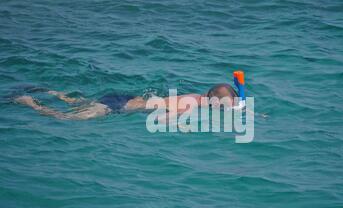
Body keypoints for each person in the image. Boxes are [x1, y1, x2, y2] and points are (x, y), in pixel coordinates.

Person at [15, 84, 239, 120]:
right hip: (118, 106)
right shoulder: (190, 105)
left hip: (128, 98)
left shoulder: (201, 97)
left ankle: (55, 92)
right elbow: (165, 117)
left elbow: (236, 104)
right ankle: (30, 103)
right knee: (69, 118)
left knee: (77, 102)